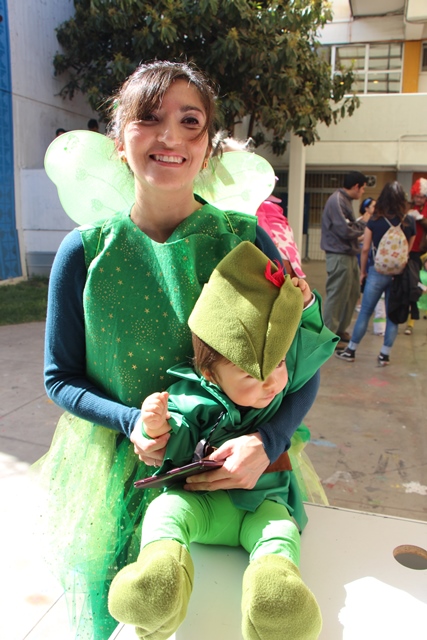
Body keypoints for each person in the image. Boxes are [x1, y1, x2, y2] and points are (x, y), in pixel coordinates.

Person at [34, 61, 324, 640]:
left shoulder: (243, 241)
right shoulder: (84, 252)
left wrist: (267, 443)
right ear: (119, 142)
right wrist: (131, 422)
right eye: (149, 118)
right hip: (119, 479)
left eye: (190, 122)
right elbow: (59, 377)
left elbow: (300, 364)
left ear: (208, 146)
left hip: (230, 475)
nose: (170, 136)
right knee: (123, 617)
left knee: (219, 620)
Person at [108, 241, 337, 640]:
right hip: (203, 502)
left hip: (262, 501)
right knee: (165, 511)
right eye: (251, 375)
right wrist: (155, 427)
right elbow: (176, 440)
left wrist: (306, 307)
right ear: (211, 374)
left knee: (278, 530)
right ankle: (159, 584)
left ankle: (276, 597)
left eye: (279, 364)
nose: (272, 383)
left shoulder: (279, 384)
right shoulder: (192, 397)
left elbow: (309, 348)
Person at [336, 181, 416, 366]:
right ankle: (384, 355)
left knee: (365, 312)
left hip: (377, 272)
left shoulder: (375, 220)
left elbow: (365, 249)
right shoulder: (409, 221)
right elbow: (408, 249)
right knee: (392, 315)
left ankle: (351, 350)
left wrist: (363, 272)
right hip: (399, 275)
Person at [214, 132, 306, 278]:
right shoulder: (203, 213)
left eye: (241, 165)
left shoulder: (269, 212)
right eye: (227, 165)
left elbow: (286, 268)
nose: (236, 173)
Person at [320, 171, 368, 348]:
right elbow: (346, 229)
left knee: (352, 293)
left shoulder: (345, 201)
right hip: (338, 254)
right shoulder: (337, 200)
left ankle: (340, 330)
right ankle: (327, 337)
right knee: (337, 294)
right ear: (356, 186)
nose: (363, 192)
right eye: (363, 188)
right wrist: (365, 222)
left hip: (348, 253)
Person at [403, 178, 427, 334]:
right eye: (417, 196)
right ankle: (409, 319)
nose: (418, 199)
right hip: (408, 250)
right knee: (410, 285)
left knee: (417, 284)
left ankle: (412, 320)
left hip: (423, 252)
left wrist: (421, 219)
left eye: (421, 197)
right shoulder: (408, 207)